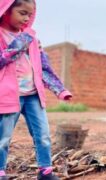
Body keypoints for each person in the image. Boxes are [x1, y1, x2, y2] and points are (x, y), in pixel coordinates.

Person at [0, 0, 72, 179]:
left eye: (30, 15)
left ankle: (45, 171)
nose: (27, 18)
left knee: (43, 134)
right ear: (7, 10)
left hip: (33, 95)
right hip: (9, 95)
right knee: (3, 137)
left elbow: (43, 67)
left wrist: (60, 89)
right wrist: (19, 44)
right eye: (22, 13)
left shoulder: (31, 37)